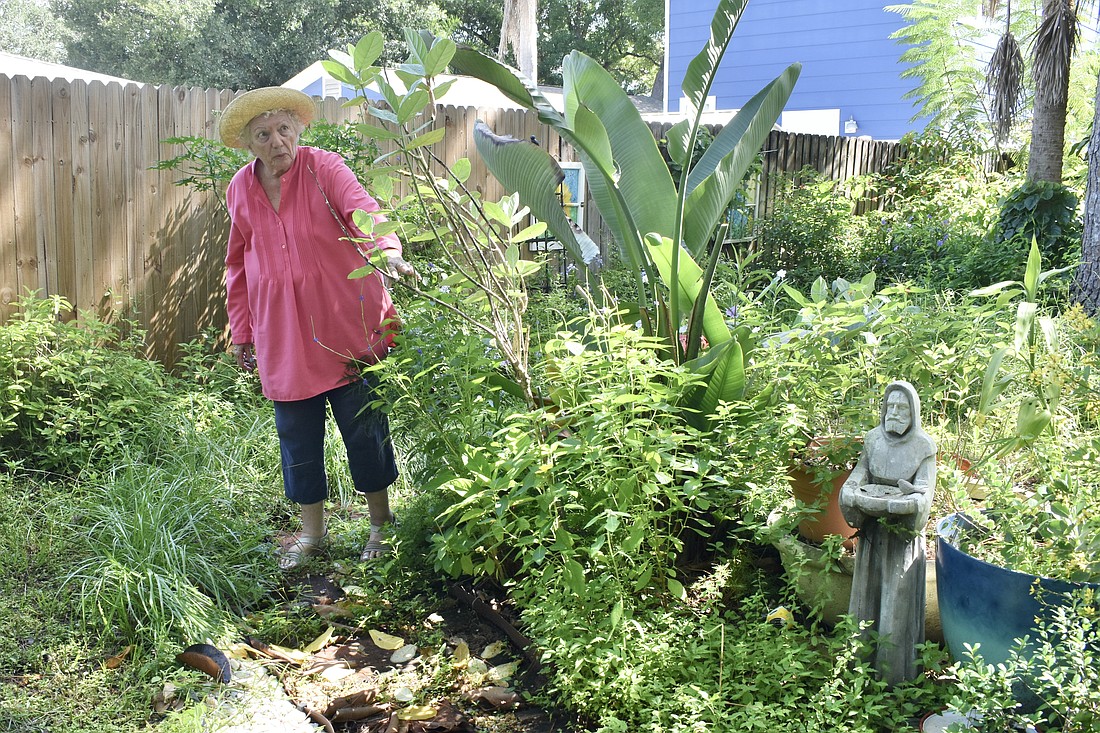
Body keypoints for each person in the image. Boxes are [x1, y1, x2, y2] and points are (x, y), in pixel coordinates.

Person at [217, 86, 415, 570]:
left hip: (348, 324)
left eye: (284, 129)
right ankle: (312, 534)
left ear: (298, 130)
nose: (276, 141)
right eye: (262, 134)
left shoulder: (325, 167)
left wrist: (386, 248)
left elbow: (361, 208)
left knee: (364, 428)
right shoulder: (240, 189)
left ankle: (379, 525)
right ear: (248, 143)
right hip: (283, 334)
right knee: (297, 435)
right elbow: (238, 263)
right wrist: (241, 330)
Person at [838, 380, 936, 686]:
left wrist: (910, 500)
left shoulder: (924, 448)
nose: (894, 412)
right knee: (866, 598)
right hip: (873, 536)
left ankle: (895, 680)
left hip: (902, 541)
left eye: (902, 407)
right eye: (890, 406)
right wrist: (851, 493)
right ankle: (859, 669)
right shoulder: (872, 441)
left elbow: (924, 494)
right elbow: (857, 476)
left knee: (897, 602)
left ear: (913, 411)